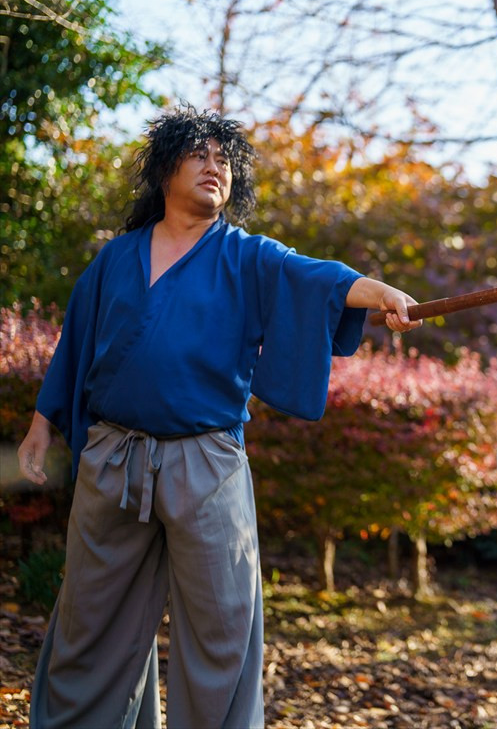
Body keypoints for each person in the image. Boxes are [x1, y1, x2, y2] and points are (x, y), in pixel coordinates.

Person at [16, 106, 421, 728]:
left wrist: (382, 293)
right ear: (164, 171)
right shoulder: (115, 260)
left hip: (205, 462)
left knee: (222, 625)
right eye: (200, 154)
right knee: (91, 619)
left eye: (225, 160)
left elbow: (319, 280)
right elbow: (77, 343)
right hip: (114, 456)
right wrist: (43, 422)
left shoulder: (247, 257)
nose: (215, 167)